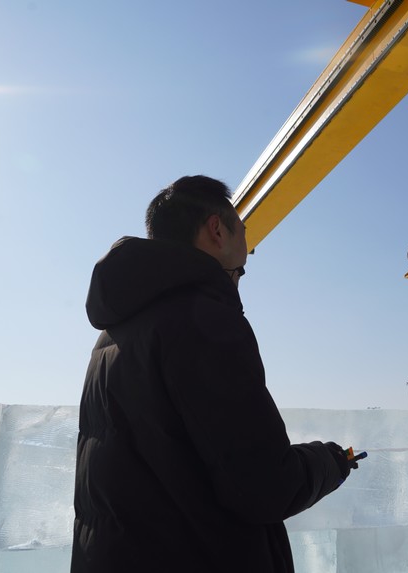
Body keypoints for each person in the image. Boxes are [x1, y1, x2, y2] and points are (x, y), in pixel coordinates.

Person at [71, 175, 352, 572]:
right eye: (240, 271)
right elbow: (264, 486)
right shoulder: (203, 318)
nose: (239, 277)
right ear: (217, 230)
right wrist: (330, 461)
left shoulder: (113, 334)